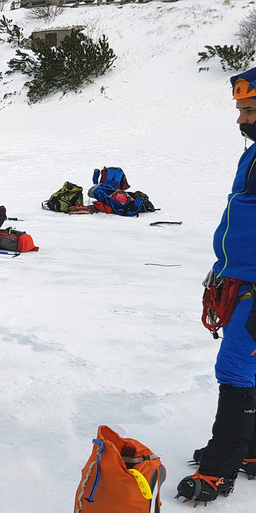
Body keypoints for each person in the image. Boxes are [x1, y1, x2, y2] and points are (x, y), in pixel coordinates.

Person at [176, 67, 256, 503]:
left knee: (236, 369)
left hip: (255, 283)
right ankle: (252, 450)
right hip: (241, 275)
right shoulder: (254, 152)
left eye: (248, 110)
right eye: (241, 109)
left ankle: (220, 467)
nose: (241, 119)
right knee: (250, 366)